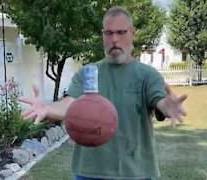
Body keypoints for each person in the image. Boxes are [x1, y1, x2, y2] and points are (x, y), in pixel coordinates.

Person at [18, 6, 187, 180]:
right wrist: (47, 109)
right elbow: (69, 104)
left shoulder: (147, 75)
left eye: (121, 32)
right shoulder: (88, 73)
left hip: (136, 173)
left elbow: (159, 100)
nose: (115, 39)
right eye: (109, 33)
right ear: (103, 36)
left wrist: (167, 105)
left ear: (132, 34)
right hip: (89, 172)